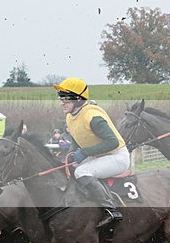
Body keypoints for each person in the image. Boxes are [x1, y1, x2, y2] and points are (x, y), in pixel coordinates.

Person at [54, 77, 129, 227]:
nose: (62, 102)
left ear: (78, 99)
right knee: (70, 169)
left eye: (66, 99)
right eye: (61, 98)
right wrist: (70, 154)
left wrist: (85, 152)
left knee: (81, 172)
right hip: (98, 155)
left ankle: (111, 210)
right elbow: (76, 136)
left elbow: (112, 142)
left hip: (116, 156)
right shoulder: (70, 117)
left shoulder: (92, 116)